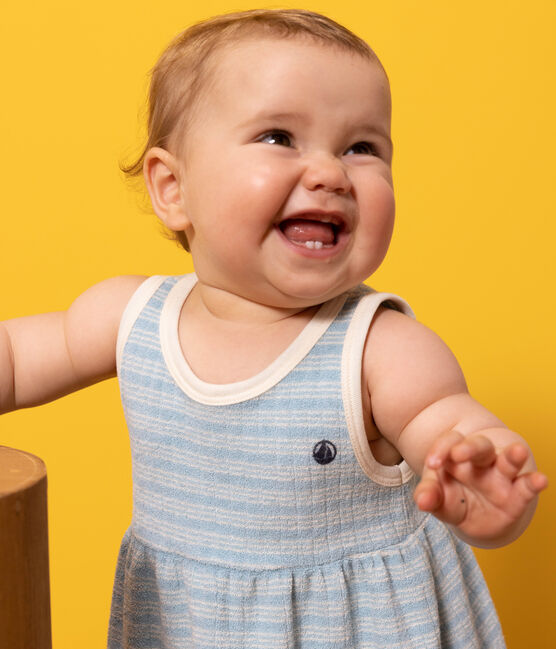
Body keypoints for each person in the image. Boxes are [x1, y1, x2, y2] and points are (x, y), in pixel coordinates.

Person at [0, 8, 548, 649]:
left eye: (362, 148)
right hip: (184, 628)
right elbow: (14, 357)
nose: (331, 173)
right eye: (279, 137)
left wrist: (484, 487)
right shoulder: (131, 317)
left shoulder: (380, 348)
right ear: (173, 188)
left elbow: (452, 430)